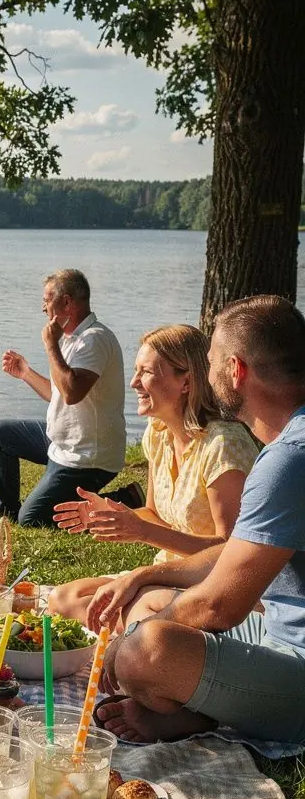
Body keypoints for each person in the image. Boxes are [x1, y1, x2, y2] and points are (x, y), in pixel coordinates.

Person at [90, 296, 305, 745]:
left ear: (236, 370)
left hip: (296, 659)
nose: (207, 377)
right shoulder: (291, 442)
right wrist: (145, 575)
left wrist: (135, 640)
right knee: (147, 602)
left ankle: (206, 713)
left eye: (209, 364)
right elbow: (236, 551)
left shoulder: (288, 460)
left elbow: (219, 606)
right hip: (276, 629)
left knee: (144, 650)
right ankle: (205, 709)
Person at [49, 325, 258, 626]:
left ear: (185, 381)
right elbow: (152, 514)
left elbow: (232, 553)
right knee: (63, 598)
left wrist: (143, 533)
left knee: (125, 616)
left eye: (146, 372)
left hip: (210, 587)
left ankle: (144, 638)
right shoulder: (159, 434)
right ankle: (137, 631)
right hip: (164, 575)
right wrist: (111, 515)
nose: (134, 382)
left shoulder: (223, 445)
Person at [0, 269, 137, 526]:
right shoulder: (71, 339)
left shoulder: (94, 339)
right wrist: (25, 373)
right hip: (63, 444)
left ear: (66, 302)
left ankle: (125, 499)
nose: (42, 307)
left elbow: (72, 393)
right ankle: (3, 507)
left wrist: (50, 345)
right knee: (0, 434)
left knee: (32, 519)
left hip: (87, 458)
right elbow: (60, 394)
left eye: (46, 300)